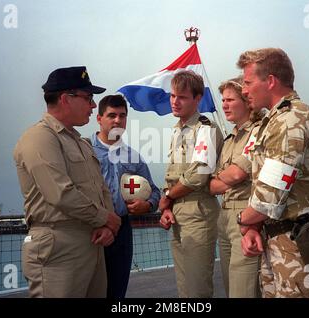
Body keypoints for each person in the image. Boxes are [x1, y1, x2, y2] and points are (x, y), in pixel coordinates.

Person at [236, 48, 309, 298]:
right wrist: (253, 229)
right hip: (278, 241)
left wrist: (242, 221)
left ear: (270, 81)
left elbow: (268, 196)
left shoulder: (292, 119)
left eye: (248, 83)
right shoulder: (274, 121)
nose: (244, 90)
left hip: (298, 245)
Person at [13, 66, 121, 298]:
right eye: (88, 98)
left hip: (92, 243)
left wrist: (108, 225)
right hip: (58, 249)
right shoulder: (40, 137)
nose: (93, 105)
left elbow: (101, 190)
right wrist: (107, 219)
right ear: (65, 99)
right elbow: (60, 193)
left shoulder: (81, 143)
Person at [158, 70, 224, 298]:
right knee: (184, 287)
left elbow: (198, 174)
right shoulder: (178, 131)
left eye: (183, 97)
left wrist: (167, 197)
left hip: (198, 213)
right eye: (173, 96)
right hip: (177, 211)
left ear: (197, 99)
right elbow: (173, 175)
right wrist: (167, 207)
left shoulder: (206, 129)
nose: (175, 102)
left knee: (197, 288)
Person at [91, 94, 161, 298]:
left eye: (122, 116)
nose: (117, 121)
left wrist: (147, 205)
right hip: (92, 229)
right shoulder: (85, 152)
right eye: (111, 115)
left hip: (121, 231)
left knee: (117, 291)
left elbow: (154, 191)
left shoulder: (133, 156)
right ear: (99, 118)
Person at [209, 77, 261, 298]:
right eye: (223, 100)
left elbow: (237, 173)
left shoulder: (259, 132)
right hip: (225, 217)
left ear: (247, 101)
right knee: (232, 288)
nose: (224, 105)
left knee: (245, 290)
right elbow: (212, 186)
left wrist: (230, 176)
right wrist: (229, 176)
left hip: (247, 215)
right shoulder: (229, 140)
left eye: (230, 99)